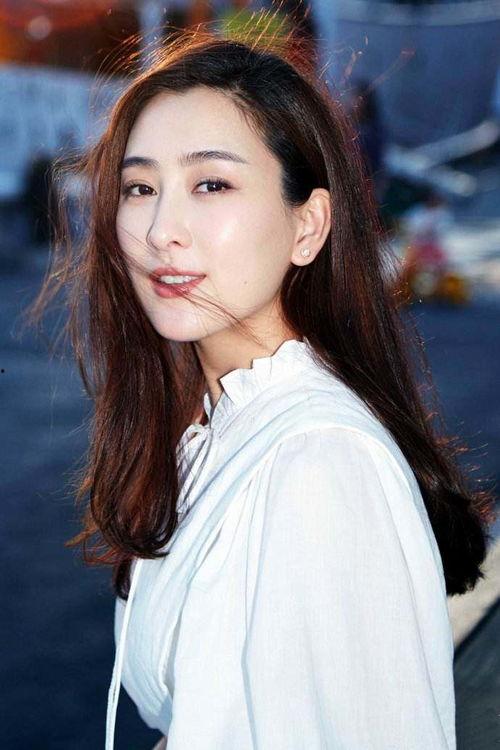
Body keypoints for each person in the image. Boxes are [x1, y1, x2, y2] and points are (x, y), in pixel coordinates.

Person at [31, 25, 496, 750]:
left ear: (307, 226)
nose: (161, 229)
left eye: (211, 184)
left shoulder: (316, 462)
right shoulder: (222, 421)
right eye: (140, 187)